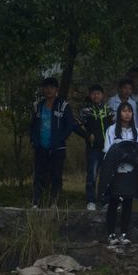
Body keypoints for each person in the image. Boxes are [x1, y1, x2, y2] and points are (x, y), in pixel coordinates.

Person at [99, 102, 138, 245]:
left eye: (129, 111)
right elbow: (108, 150)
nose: (127, 114)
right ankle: (111, 234)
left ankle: (124, 234)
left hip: (130, 172)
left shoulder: (137, 132)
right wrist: (121, 156)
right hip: (115, 171)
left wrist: (128, 157)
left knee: (128, 202)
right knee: (113, 202)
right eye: (124, 111)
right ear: (119, 113)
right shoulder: (111, 130)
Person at [29, 77, 75, 208]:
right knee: (39, 175)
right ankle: (36, 202)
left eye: (51, 87)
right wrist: (34, 141)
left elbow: (70, 124)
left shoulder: (63, 105)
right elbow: (32, 125)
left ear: (56, 90)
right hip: (41, 146)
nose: (48, 90)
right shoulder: (38, 106)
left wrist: (60, 139)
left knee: (56, 175)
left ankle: (54, 202)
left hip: (57, 147)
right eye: (46, 87)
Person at [77, 84, 113, 211]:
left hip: (107, 148)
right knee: (92, 175)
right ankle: (91, 200)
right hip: (93, 148)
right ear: (90, 95)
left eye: (98, 93)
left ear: (102, 95)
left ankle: (105, 200)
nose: (96, 96)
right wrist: (87, 136)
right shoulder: (85, 111)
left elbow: (115, 126)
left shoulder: (108, 109)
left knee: (106, 174)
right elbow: (76, 125)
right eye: (93, 93)